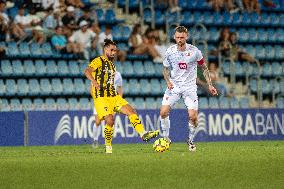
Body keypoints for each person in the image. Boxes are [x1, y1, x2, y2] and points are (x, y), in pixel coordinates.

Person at [84, 39, 159, 154]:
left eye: (115, 50)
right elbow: (87, 71)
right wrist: (94, 82)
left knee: (131, 111)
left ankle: (143, 134)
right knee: (110, 120)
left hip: (114, 96)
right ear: (105, 49)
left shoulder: (112, 66)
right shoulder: (98, 60)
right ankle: (108, 146)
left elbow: (116, 85)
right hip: (101, 98)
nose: (114, 52)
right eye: (112, 50)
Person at [159, 26, 218, 151]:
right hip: (174, 86)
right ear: (174, 37)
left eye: (182, 37)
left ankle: (190, 140)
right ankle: (166, 139)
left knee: (193, 117)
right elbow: (165, 69)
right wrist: (168, 81)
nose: (180, 39)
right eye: (178, 37)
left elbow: (204, 68)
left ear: (187, 37)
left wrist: (210, 85)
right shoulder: (170, 51)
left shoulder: (195, 51)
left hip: (190, 88)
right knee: (163, 112)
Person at [92, 71, 123, 148]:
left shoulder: (117, 74)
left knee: (109, 122)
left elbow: (119, 88)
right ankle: (95, 140)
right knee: (97, 122)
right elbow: (92, 90)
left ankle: (108, 143)